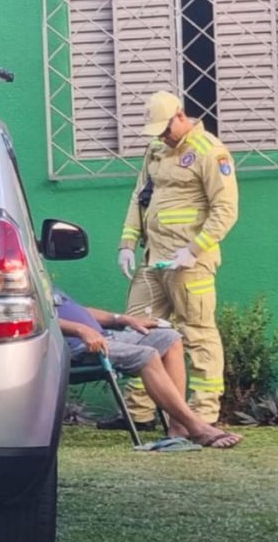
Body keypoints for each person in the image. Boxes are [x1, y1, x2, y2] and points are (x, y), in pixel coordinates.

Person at [102, 90, 239, 430]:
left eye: (165, 128)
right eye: (156, 131)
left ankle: (204, 413)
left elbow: (226, 210)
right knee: (136, 330)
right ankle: (139, 412)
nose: (162, 136)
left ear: (181, 115)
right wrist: (127, 243)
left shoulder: (210, 151)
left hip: (189, 263)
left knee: (198, 333)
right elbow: (140, 198)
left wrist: (194, 250)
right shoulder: (156, 149)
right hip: (154, 259)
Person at [55, 288, 241, 449]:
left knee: (170, 338)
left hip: (107, 336)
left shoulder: (42, 279)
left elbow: (80, 311)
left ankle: (177, 427)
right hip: (78, 347)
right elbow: (34, 319)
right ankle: (197, 428)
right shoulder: (26, 285)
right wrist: (80, 330)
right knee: (147, 355)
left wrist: (124, 319)